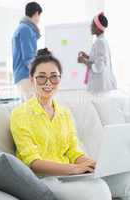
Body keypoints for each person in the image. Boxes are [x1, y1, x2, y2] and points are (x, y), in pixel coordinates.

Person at [10, 48, 112, 200]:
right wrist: (74, 169)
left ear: (60, 79)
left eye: (54, 77)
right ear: (32, 80)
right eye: (41, 77)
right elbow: (32, 162)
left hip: (68, 177)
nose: (48, 83)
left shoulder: (64, 113)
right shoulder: (20, 114)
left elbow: (73, 152)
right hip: (42, 180)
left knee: (102, 186)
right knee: (95, 193)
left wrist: (94, 164)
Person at [78, 12, 117, 94]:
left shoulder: (100, 43)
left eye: (93, 25)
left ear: (98, 28)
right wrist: (87, 56)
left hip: (100, 88)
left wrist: (83, 61)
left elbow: (99, 67)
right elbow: (97, 60)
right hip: (100, 86)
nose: (91, 27)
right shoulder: (101, 41)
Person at [12, 1, 42, 100]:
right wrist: (35, 74)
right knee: (33, 109)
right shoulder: (26, 29)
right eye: (39, 16)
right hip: (25, 75)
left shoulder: (20, 28)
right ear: (36, 13)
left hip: (20, 75)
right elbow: (28, 57)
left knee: (26, 110)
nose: (39, 20)